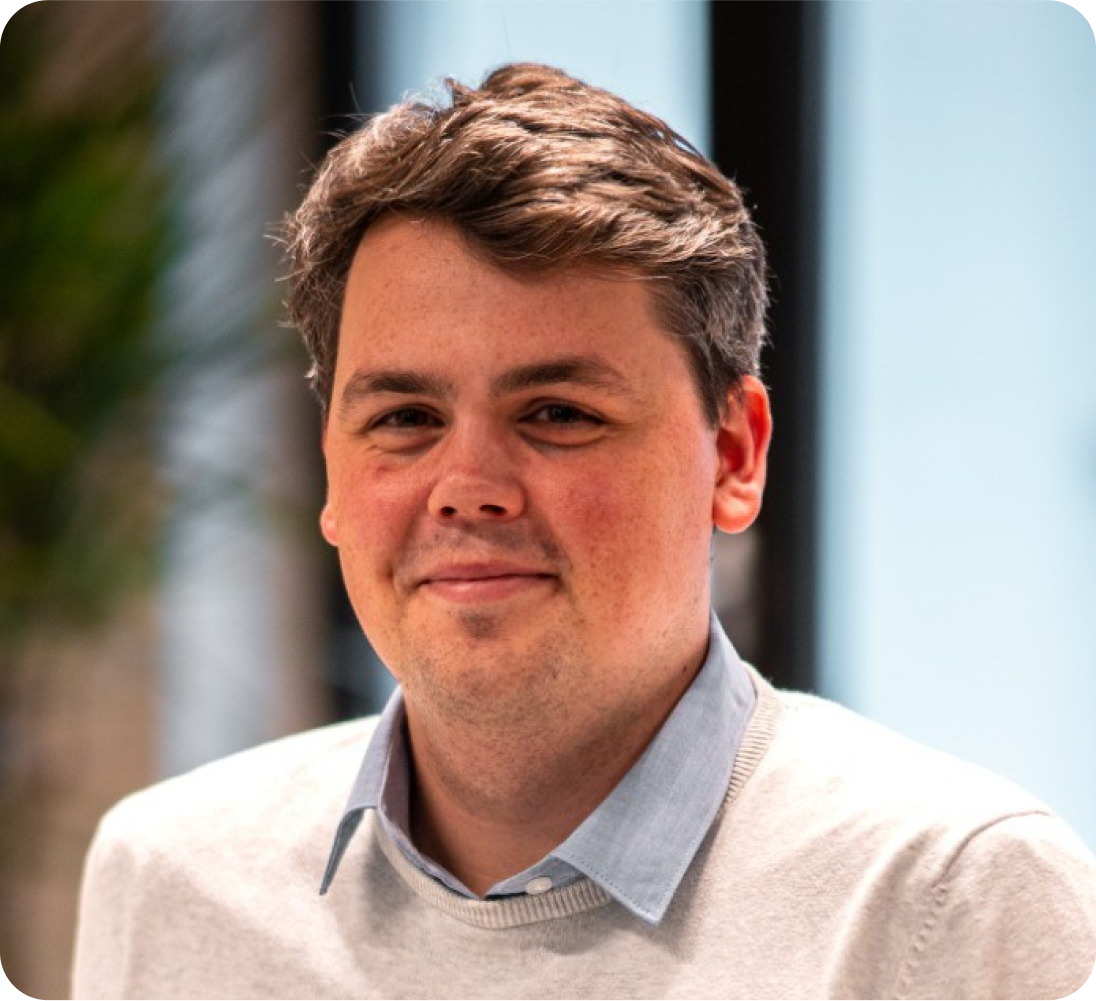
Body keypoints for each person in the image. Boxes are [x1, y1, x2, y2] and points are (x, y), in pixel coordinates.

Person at [72, 62, 1096, 1001]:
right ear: (332, 470)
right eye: (406, 418)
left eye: (558, 413)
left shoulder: (954, 895)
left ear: (734, 454)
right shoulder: (171, 879)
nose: (467, 489)